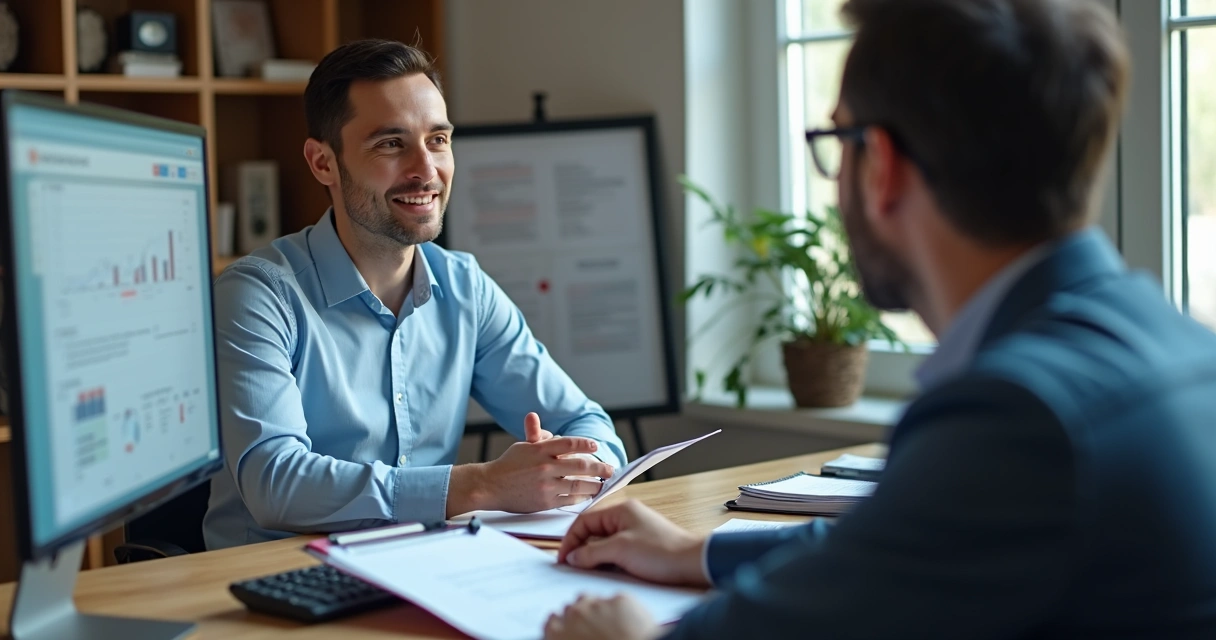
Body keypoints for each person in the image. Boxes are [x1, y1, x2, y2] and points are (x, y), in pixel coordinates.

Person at [546, 0, 1216, 638]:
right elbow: (899, 539)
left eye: (838, 139)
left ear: (881, 167)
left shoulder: (1017, 415)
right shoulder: (1181, 348)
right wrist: (702, 553)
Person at [203, 40, 625, 550]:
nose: (426, 171)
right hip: (273, 587)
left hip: (423, 569)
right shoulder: (257, 296)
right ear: (323, 163)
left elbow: (585, 422)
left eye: (438, 140)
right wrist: (484, 485)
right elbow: (278, 485)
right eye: (390, 144)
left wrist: (578, 465)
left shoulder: (465, 287)